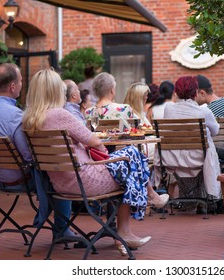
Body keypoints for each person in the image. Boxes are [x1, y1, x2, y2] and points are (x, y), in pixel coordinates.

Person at [22, 68, 169, 253]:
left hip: (59, 184)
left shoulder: (28, 120)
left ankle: (148, 201)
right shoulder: (60, 115)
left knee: (129, 159)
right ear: (55, 91)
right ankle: (127, 227)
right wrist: (102, 154)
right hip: (86, 180)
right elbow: (94, 141)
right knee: (131, 158)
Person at [0, 63, 74, 239]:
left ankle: (59, 227)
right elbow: (29, 156)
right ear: (12, 87)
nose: (21, 84)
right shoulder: (15, 116)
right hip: (19, 180)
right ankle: (62, 229)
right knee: (60, 170)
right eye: (20, 81)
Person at [154, 76, 222, 203]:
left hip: (172, 159)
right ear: (196, 92)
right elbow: (215, 131)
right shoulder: (204, 111)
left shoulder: (168, 109)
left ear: (176, 93)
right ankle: (207, 199)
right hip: (198, 159)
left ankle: (188, 198)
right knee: (208, 143)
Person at [195, 75, 224, 164]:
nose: (192, 99)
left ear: (202, 93)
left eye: (194, 94)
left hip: (217, 157)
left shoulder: (208, 111)